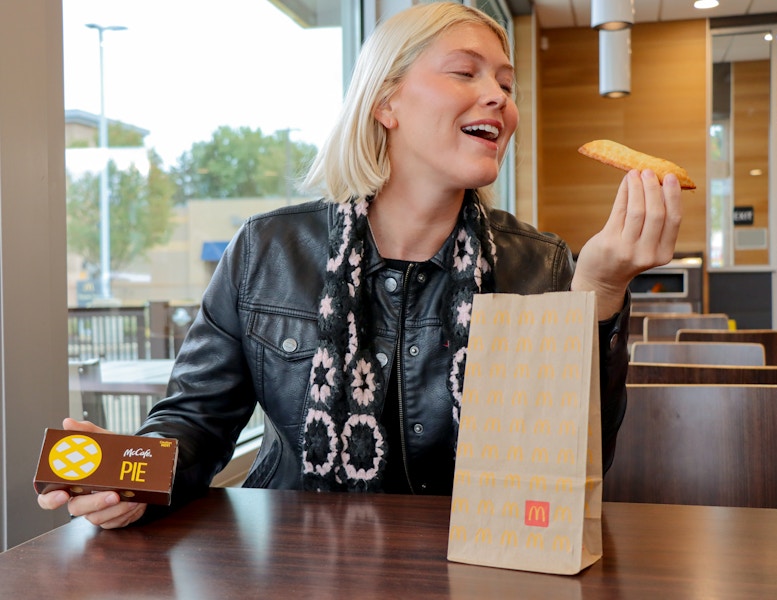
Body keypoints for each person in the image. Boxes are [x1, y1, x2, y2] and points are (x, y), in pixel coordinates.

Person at [38, 2, 682, 528]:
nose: (499, 99)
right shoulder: (266, 252)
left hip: (483, 563)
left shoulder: (542, 265)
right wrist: (130, 483)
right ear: (385, 103)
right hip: (294, 564)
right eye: (466, 73)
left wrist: (597, 292)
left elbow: (571, 464)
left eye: (507, 85)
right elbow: (197, 421)